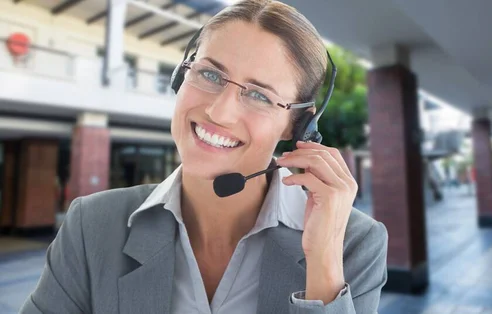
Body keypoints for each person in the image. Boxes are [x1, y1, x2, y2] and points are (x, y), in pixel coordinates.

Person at [19, 1, 388, 313]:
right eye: (210, 74)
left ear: (298, 126)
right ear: (181, 77)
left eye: (259, 95)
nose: (219, 111)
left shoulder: (353, 243)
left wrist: (323, 259)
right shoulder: (92, 226)